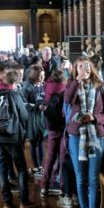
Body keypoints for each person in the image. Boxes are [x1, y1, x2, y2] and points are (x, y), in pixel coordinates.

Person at [64, 57, 104, 208]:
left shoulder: (100, 88)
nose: (84, 68)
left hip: (96, 136)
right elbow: (67, 100)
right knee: (80, 177)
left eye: (86, 66)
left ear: (92, 68)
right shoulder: (72, 85)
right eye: (80, 66)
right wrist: (77, 80)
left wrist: (95, 118)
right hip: (76, 136)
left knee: (93, 177)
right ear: (75, 70)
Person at [0, 62, 35, 208]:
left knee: (2, 168)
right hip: (12, 136)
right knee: (21, 168)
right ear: (14, 83)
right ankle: (24, 200)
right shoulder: (14, 94)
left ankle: (7, 201)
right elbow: (24, 116)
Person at [39, 66, 67, 198]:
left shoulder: (48, 88)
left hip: (51, 126)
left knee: (50, 157)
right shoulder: (65, 89)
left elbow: (45, 104)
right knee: (62, 157)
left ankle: (45, 186)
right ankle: (62, 187)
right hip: (63, 126)